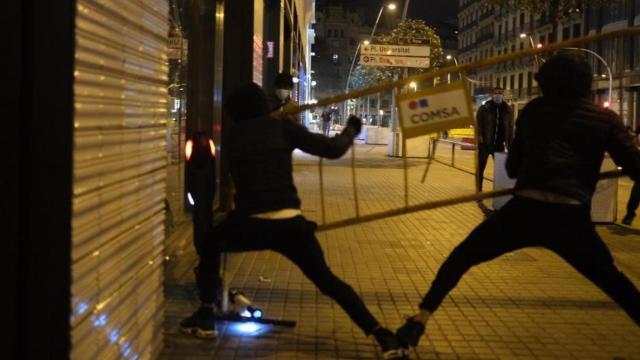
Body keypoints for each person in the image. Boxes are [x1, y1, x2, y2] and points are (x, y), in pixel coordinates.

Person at [395, 53, 640, 351]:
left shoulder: (535, 110)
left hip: (526, 210)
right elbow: (634, 165)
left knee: (461, 257)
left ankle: (419, 321)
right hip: (571, 217)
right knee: (615, 282)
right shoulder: (605, 119)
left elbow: (513, 168)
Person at [180, 83, 407, 360]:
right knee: (328, 281)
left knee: (210, 244)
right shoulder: (281, 128)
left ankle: (206, 315)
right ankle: (383, 335)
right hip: (290, 224)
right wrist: (351, 130)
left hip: (250, 225)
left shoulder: (234, 137)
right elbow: (333, 149)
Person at [475, 87, 514, 192]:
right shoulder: (484, 108)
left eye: (500, 93)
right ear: (492, 94)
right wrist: (480, 140)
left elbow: (510, 129)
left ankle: (499, 192)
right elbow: (478, 125)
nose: (498, 95)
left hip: (499, 145)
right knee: (481, 168)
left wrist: (509, 146)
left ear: (503, 95)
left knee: (501, 170)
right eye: (496, 93)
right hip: (485, 145)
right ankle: (479, 190)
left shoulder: (508, 110)